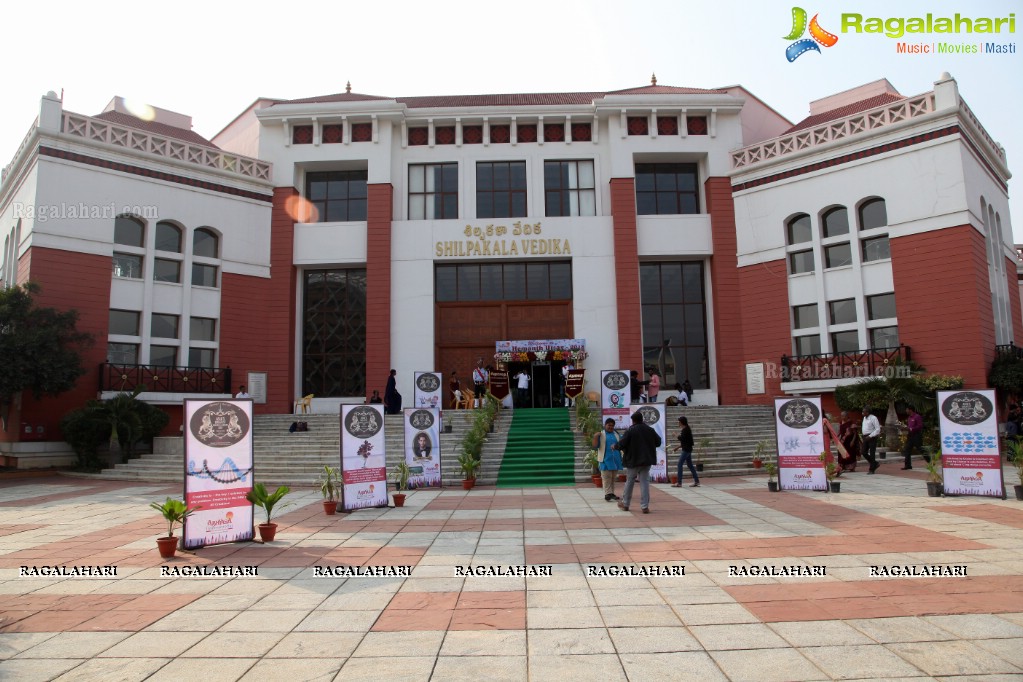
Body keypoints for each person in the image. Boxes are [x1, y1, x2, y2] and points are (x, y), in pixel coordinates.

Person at [613, 411, 661, 513]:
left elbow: (622, 444)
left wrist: (615, 446)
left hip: (633, 460)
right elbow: (658, 442)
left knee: (630, 481)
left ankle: (625, 504)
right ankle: (644, 506)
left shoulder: (631, 430)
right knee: (644, 483)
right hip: (646, 461)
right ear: (642, 419)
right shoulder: (650, 430)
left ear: (633, 420)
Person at [592, 417, 622, 501]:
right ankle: (607, 494)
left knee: (613, 478)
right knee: (606, 477)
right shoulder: (601, 434)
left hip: (615, 460)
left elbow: (621, 444)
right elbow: (595, 446)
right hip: (605, 460)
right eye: (609, 425)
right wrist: (595, 436)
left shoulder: (616, 434)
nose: (611, 427)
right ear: (605, 425)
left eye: (612, 425)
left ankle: (611, 493)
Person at [672, 415, 699, 487]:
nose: (678, 423)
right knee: (690, 465)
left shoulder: (685, 430)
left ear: (681, 422)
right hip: (688, 449)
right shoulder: (686, 429)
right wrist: (678, 447)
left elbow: (682, 439)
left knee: (679, 464)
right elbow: (686, 441)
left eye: (679, 422)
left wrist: (676, 435)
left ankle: (679, 482)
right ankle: (696, 481)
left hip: (686, 450)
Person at [901, 405, 928, 469]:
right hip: (910, 436)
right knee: (907, 449)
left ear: (910, 410)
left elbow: (920, 426)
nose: (906, 411)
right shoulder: (909, 418)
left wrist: (912, 429)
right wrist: (905, 429)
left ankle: (931, 461)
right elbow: (909, 427)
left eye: (907, 409)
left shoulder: (917, 417)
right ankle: (908, 465)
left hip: (917, 435)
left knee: (921, 449)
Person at [861, 407, 881, 474]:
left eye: (864, 412)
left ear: (867, 412)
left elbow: (878, 429)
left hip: (872, 437)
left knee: (872, 453)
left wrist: (870, 436)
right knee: (863, 452)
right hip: (865, 437)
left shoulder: (873, 418)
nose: (862, 413)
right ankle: (875, 463)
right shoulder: (864, 418)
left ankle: (872, 469)